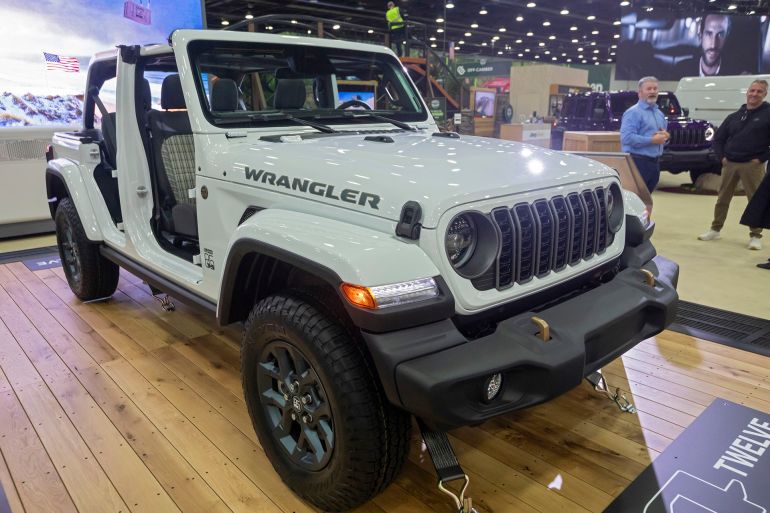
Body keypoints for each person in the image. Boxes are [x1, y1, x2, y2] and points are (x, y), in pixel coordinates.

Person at [698, 79, 770, 250]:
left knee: (755, 200)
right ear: (747, 92)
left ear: (765, 94)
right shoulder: (735, 116)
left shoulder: (768, 114)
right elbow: (719, 139)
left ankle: (755, 235)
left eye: (759, 91)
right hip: (730, 163)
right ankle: (715, 229)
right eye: (752, 90)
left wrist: (761, 158)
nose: (754, 94)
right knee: (722, 198)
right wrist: (722, 157)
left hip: (753, 165)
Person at [620, 76, 670, 193]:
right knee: (635, 200)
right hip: (637, 163)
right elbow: (626, 138)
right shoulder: (633, 113)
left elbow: (661, 139)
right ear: (640, 93)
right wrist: (652, 140)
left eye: (655, 89)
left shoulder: (660, 115)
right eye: (649, 89)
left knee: (647, 201)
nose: (652, 91)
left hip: (655, 164)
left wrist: (666, 137)